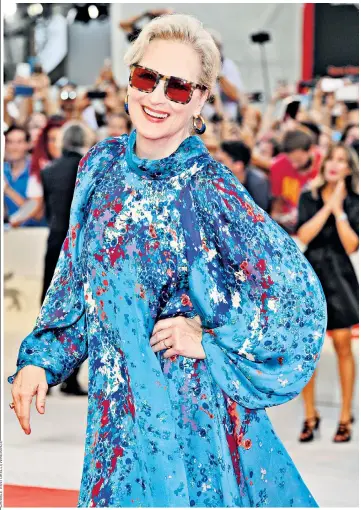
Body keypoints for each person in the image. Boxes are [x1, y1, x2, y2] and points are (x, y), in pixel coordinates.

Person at [8, 13, 327, 508]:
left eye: (179, 89)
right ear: (130, 79)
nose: (157, 97)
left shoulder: (209, 187)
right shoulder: (100, 165)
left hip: (186, 417)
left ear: (201, 99)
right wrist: (41, 360)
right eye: (146, 78)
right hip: (114, 417)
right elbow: (75, 280)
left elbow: (296, 300)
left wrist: (211, 341)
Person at [296, 143, 359, 443]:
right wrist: (327, 207)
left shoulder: (355, 201)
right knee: (309, 347)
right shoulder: (308, 195)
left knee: (344, 342)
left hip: (341, 276)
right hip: (312, 272)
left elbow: (351, 245)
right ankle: (310, 414)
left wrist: (340, 211)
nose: (335, 165)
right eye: (331, 159)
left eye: (342, 161)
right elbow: (305, 235)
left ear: (349, 169)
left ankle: (345, 415)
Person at [39, 121, 95, 396]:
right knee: (78, 311)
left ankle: (42, 373)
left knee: (48, 308)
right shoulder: (88, 169)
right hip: (79, 246)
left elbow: (49, 209)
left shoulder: (48, 171)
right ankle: (69, 379)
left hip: (53, 242)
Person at [270, 129, 321, 235]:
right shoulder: (279, 165)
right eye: (290, 160)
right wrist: (280, 217)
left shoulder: (322, 164)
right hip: (289, 225)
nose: (294, 165)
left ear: (311, 150)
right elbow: (278, 203)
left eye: (299, 160)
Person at [4, 125, 44, 227]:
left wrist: (7, 190)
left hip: (34, 233)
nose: (14, 147)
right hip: (8, 234)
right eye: (10, 142)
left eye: (19, 142)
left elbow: (37, 213)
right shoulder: (3, 170)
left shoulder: (36, 170)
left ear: (28, 144)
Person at [217, 140, 271, 211]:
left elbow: (261, 216)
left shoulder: (258, 183)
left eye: (221, 161)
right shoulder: (217, 180)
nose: (215, 164)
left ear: (238, 165)